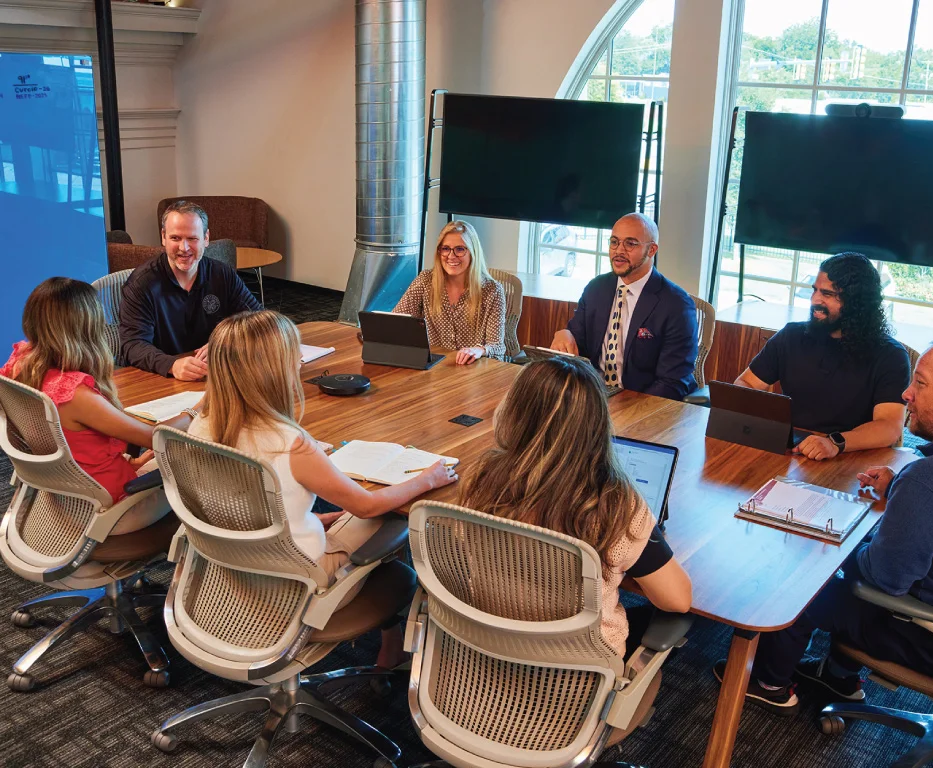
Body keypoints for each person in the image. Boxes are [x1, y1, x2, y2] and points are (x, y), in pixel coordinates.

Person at [716, 338, 933, 714]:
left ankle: (769, 683)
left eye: (921, 384)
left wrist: (836, 540)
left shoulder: (931, 482)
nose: (907, 394)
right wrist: (899, 488)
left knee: (799, 578)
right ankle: (840, 677)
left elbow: (884, 579)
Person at [190, 309, 456, 667]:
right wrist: (428, 478)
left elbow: (239, 499)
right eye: (293, 356)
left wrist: (304, 521)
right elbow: (367, 506)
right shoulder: (292, 444)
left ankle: (390, 646)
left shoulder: (200, 427)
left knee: (343, 515)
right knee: (395, 520)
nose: (299, 362)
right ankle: (393, 648)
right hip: (299, 583)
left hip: (237, 571)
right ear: (271, 369)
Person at [457, 355, 692, 658]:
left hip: (491, 653)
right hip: (578, 685)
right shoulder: (615, 505)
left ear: (512, 412)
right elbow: (678, 600)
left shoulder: (481, 478)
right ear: (597, 427)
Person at [0, 278, 194, 533]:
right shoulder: (75, 394)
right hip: (110, 510)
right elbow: (156, 437)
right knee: (200, 468)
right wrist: (198, 408)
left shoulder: (21, 362)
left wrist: (123, 461)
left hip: (69, 493)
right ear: (86, 327)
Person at [734, 252, 910, 460]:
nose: (814, 300)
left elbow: (889, 426)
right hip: (792, 449)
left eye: (826, 294)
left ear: (856, 303)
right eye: (814, 290)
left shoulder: (890, 355)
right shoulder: (791, 335)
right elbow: (746, 383)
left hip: (851, 455)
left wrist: (834, 443)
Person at [549, 213, 699, 400]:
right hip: (593, 399)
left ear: (652, 250)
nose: (619, 251)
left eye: (630, 243)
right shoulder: (597, 288)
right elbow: (577, 342)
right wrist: (564, 334)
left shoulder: (677, 305)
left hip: (644, 404)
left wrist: (626, 408)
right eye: (614, 242)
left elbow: (673, 382)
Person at [119, 200, 262, 380]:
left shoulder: (221, 273)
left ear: (206, 238)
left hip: (214, 375)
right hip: (160, 378)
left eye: (192, 238)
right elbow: (133, 345)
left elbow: (257, 319)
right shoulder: (142, 284)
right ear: (163, 237)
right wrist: (171, 364)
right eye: (175, 238)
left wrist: (226, 342)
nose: (183, 248)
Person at [393, 220, 506, 364]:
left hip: (472, 373)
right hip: (434, 369)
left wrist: (479, 350)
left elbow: (497, 347)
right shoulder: (426, 280)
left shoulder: (492, 291)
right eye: (445, 249)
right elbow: (396, 322)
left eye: (460, 249)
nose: (451, 256)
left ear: (473, 252)